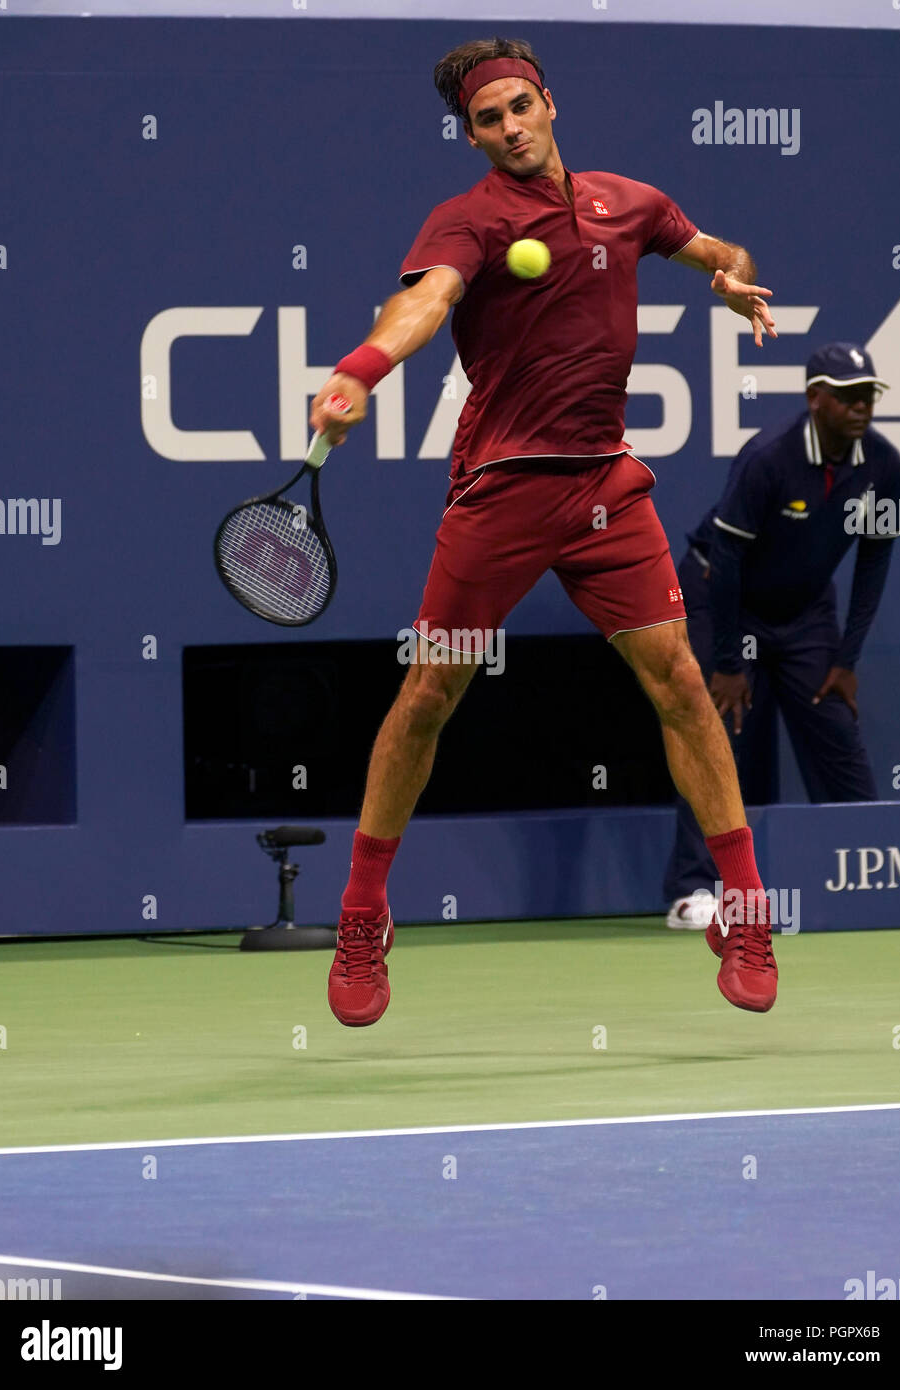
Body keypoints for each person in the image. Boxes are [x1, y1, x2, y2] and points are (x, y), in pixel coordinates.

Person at [310, 36, 780, 1027]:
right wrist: (360, 367)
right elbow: (426, 302)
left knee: (681, 684)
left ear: (548, 103)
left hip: (605, 488)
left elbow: (711, 248)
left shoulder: (627, 202)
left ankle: (742, 908)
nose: (510, 128)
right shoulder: (469, 221)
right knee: (431, 690)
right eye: (488, 119)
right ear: (472, 136)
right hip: (501, 491)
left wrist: (729, 279)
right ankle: (362, 912)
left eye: (519, 106)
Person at [665, 343, 900, 928]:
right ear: (814, 399)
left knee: (833, 722)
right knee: (717, 730)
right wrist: (726, 662)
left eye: (867, 396)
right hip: (722, 598)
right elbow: (725, 558)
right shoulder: (768, 458)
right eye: (846, 396)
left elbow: (874, 561)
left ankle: (869, 871)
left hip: (804, 612)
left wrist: (847, 658)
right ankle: (695, 892)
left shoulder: (883, 466)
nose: (859, 407)